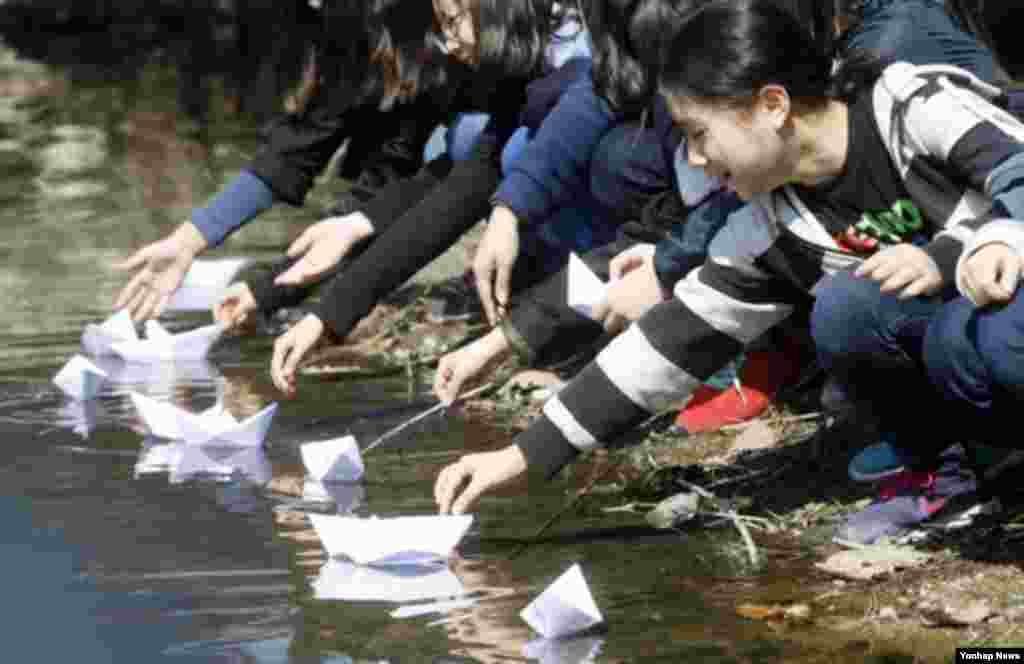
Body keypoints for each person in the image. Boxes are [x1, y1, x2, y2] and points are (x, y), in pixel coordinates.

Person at [432, 0, 1024, 523]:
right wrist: (524, 454)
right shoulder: (773, 223)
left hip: (1004, 307)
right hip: (966, 339)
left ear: (771, 105)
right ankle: (955, 474)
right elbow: (673, 339)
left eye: (698, 133)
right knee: (850, 310)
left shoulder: (907, 101)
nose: (695, 158)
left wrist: (970, 248)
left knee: (977, 336)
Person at [262, 0, 627, 396]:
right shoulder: (521, 72)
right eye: (443, 28)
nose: (448, 44)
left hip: (626, 254)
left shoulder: (588, 64)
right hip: (571, 259)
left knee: (506, 147)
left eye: (453, 23)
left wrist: (508, 212)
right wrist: (330, 314)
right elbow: (458, 192)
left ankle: (592, 336)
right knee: (480, 146)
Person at [112, 0, 473, 322]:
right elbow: (301, 146)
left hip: (484, 167)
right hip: (422, 183)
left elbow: (434, 170)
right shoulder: (354, 24)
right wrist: (189, 242)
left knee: (466, 137)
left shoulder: (466, 30)